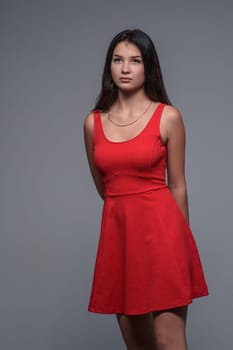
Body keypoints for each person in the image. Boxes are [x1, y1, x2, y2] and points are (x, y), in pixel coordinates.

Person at [83, 29, 208, 350]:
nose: (125, 68)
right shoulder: (93, 123)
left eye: (135, 61)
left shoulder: (168, 117)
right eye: (118, 60)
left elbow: (178, 185)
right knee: (138, 345)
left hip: (164, 237)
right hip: (120, 240)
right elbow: (106, 188)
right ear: (109, 66)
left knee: (168, 341)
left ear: (148, 67)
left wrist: (181, 245)